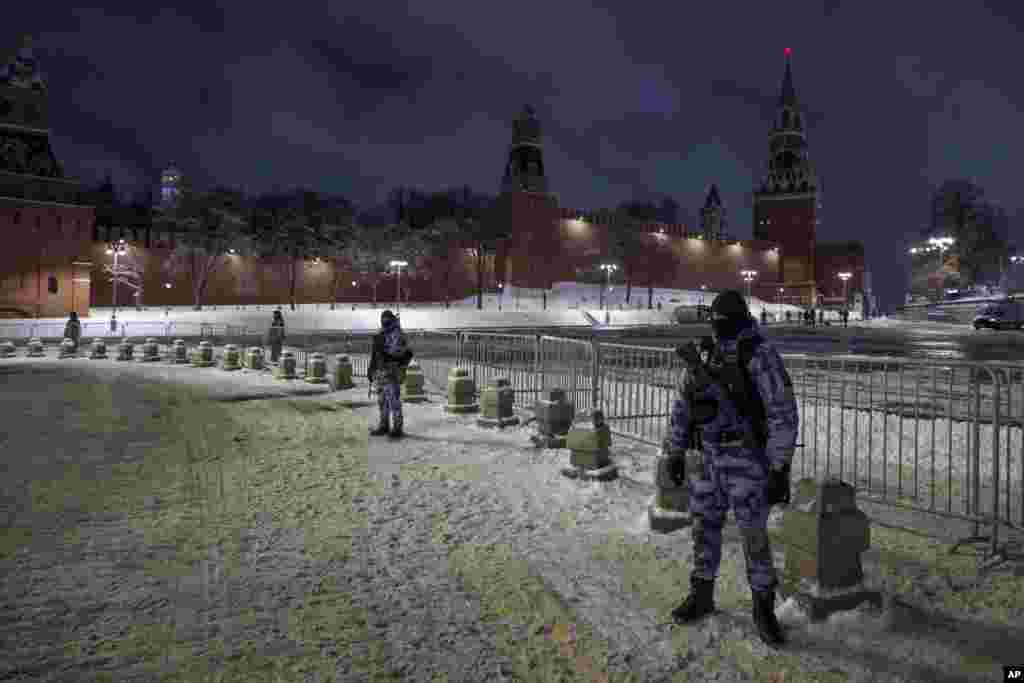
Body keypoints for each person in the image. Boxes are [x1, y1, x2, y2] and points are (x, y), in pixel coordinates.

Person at [668, 290, 797, 648]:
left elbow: (782, 413)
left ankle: (763, 608)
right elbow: (682, 404)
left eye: (725, 321)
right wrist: (675, 451)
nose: (720, 327)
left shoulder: (759, 354)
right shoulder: (704, 355)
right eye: (716, 321)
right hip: (708, 457)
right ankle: (702, 593)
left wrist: (778, 467)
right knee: (703, 529)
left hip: (746, 461)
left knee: (754, 538)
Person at [367, 310, 413, 438]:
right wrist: (371, 369)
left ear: (391, 319)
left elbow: (402, 353)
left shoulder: (397, 333)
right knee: (382, 401)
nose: (384, 321)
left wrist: (387, 354)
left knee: (394, 401)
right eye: (382, 319)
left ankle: (397, 427)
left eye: (386, 319)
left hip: (392, 372)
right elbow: (375, 354)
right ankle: (384, 425)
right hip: (380, 372)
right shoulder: (381, 333)